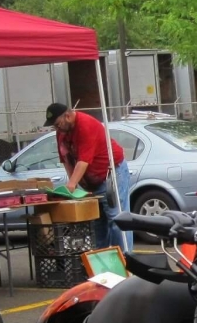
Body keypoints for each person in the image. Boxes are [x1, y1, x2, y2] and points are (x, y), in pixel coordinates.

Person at [44, 103, 133, 252]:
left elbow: (83, 161)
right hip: (91, 182)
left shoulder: (86, 125)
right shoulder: (62, 132)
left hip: (111, 174)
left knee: (117, 219)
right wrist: (73, 184)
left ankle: (125, 262)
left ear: (68, 116)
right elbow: (66, 159)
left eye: (58, 124)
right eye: (54, 126)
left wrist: (72, 184)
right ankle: (102, 265)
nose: (56, 129)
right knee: (97, 223)